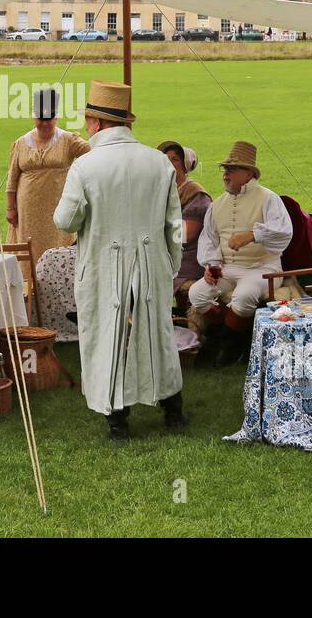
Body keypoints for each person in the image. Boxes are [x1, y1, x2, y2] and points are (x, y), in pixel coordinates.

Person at [52, 80, 185, 441]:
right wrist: (169, 265)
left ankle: (117, 419)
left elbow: (65, 221)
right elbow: (175, 223)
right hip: (151, 260)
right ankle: (173, 408)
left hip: (103, 265)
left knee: (107, 334)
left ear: (96, 123)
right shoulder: (158, 162)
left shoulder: (85, 166)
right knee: (158, 331)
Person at [186, 141, 293, 367]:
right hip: (229, 268)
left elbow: (284, 232)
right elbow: (209, 240)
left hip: (263, 268)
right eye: (224, 169)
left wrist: (252, 235)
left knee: (243, 297)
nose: (226, 174)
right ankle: (228, 339)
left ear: (249, 173)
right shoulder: (218, 204)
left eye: (232, 169)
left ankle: (228, 346)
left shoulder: (268, 198)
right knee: (197, 294)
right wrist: (211, 267)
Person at [6, 88, 91, 266]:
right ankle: (29, 288)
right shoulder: (21, 143)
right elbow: (12, 180)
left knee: (59, 245)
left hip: (58, 205)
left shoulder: (69, 140)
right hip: (28, 210)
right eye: (40, 119)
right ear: (33, 117)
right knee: (29, 248)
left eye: (49, 119)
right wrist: (10, 209)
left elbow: (95, 154)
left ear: (56, 117)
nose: (45, 124)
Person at [155, 140, 213, 322]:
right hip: (166, 254)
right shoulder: (161, 191)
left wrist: (154, 228)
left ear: (185, 165)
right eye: (165, 158)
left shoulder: (195, 194)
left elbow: (185, 235)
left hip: (188, 259)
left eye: (175, 159)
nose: (169, 163)